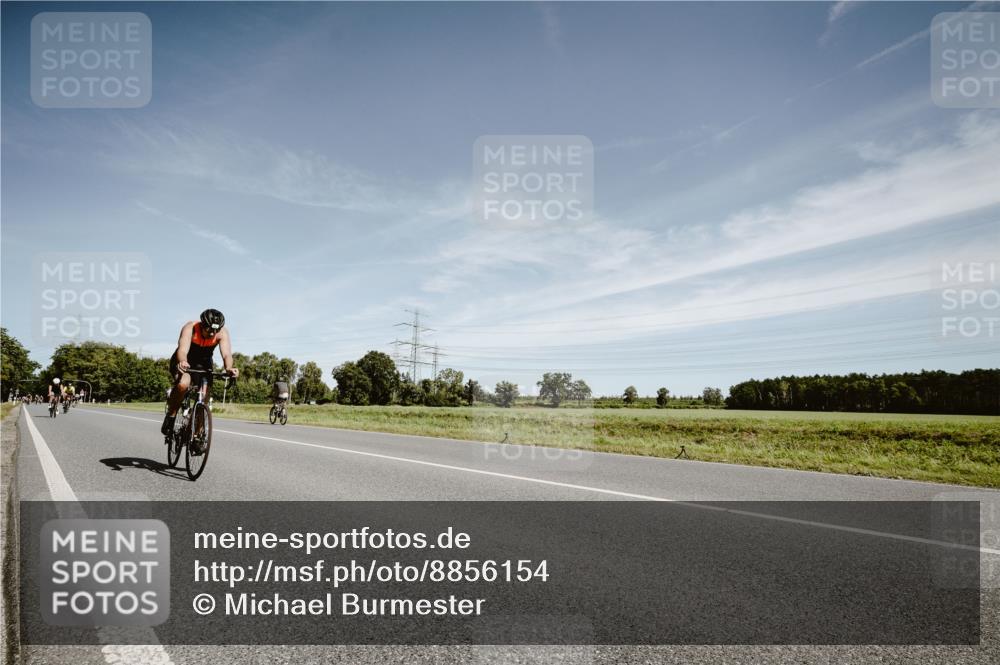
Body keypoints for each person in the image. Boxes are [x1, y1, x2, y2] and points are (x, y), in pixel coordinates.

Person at [160, 309, 239, 436]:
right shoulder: (190, 328)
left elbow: (226, 354)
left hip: (204, 363)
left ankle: (196, 434)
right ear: (202, 325)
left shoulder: (222, 333)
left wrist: (229, 368)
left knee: (204, 398)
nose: (213, 333)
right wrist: (183, 362)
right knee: (183, 384)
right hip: (185, 360)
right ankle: (171, 415)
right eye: (209, 330)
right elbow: (182, 350)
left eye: (216, 330)